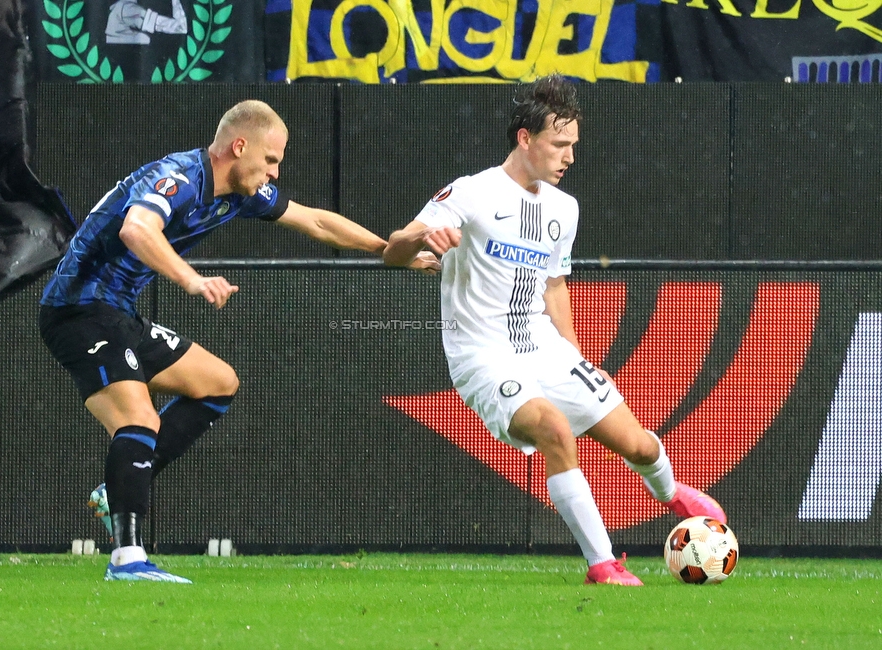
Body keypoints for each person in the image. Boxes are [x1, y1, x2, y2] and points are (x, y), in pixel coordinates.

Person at [39, 100, 438, 583]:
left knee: (217, 382)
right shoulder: (180, 177)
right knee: (138, 416)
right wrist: (192, 280)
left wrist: (388, 250)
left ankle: (117, 489)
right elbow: (136, 228)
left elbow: (315, 221)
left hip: (116, 312)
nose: (275, 171)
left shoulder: (243, 194)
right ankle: (127, 561)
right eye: (271, 160)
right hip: (77, 310)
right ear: (239, 146)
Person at [383, 75, 726, 586]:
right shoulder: (472, 193)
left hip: (542, 347)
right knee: (554, 430)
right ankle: (602, 563)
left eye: (574, 146)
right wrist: (419, 236)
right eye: (559, 144)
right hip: (482, 354)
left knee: (638, 445)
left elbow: (555, 288)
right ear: (526, 138)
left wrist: (575, 354)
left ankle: (672, 493)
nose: (568, 157)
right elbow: (394, 253)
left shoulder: (564, 209)